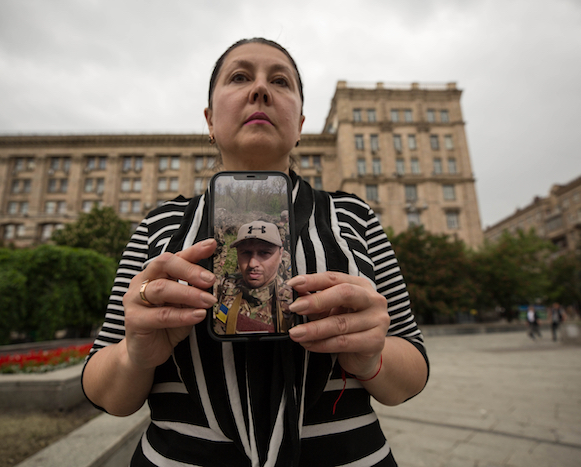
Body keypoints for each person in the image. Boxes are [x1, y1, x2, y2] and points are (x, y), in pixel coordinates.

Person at [82, 37, 429, 466]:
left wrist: (372, 356)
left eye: (280, 81)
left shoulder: (354, 216)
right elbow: (105, 392)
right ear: (210, 120)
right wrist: (135, 356)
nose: (260, 90)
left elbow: (411, 372)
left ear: (300, 124)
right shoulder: (160, 226)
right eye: (240, 77)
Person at [214, 221, 293, 334]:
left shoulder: (292, 300)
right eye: (246, 253)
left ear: (281, 255)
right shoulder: (222, 288)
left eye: (264, 253)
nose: (252, 263)